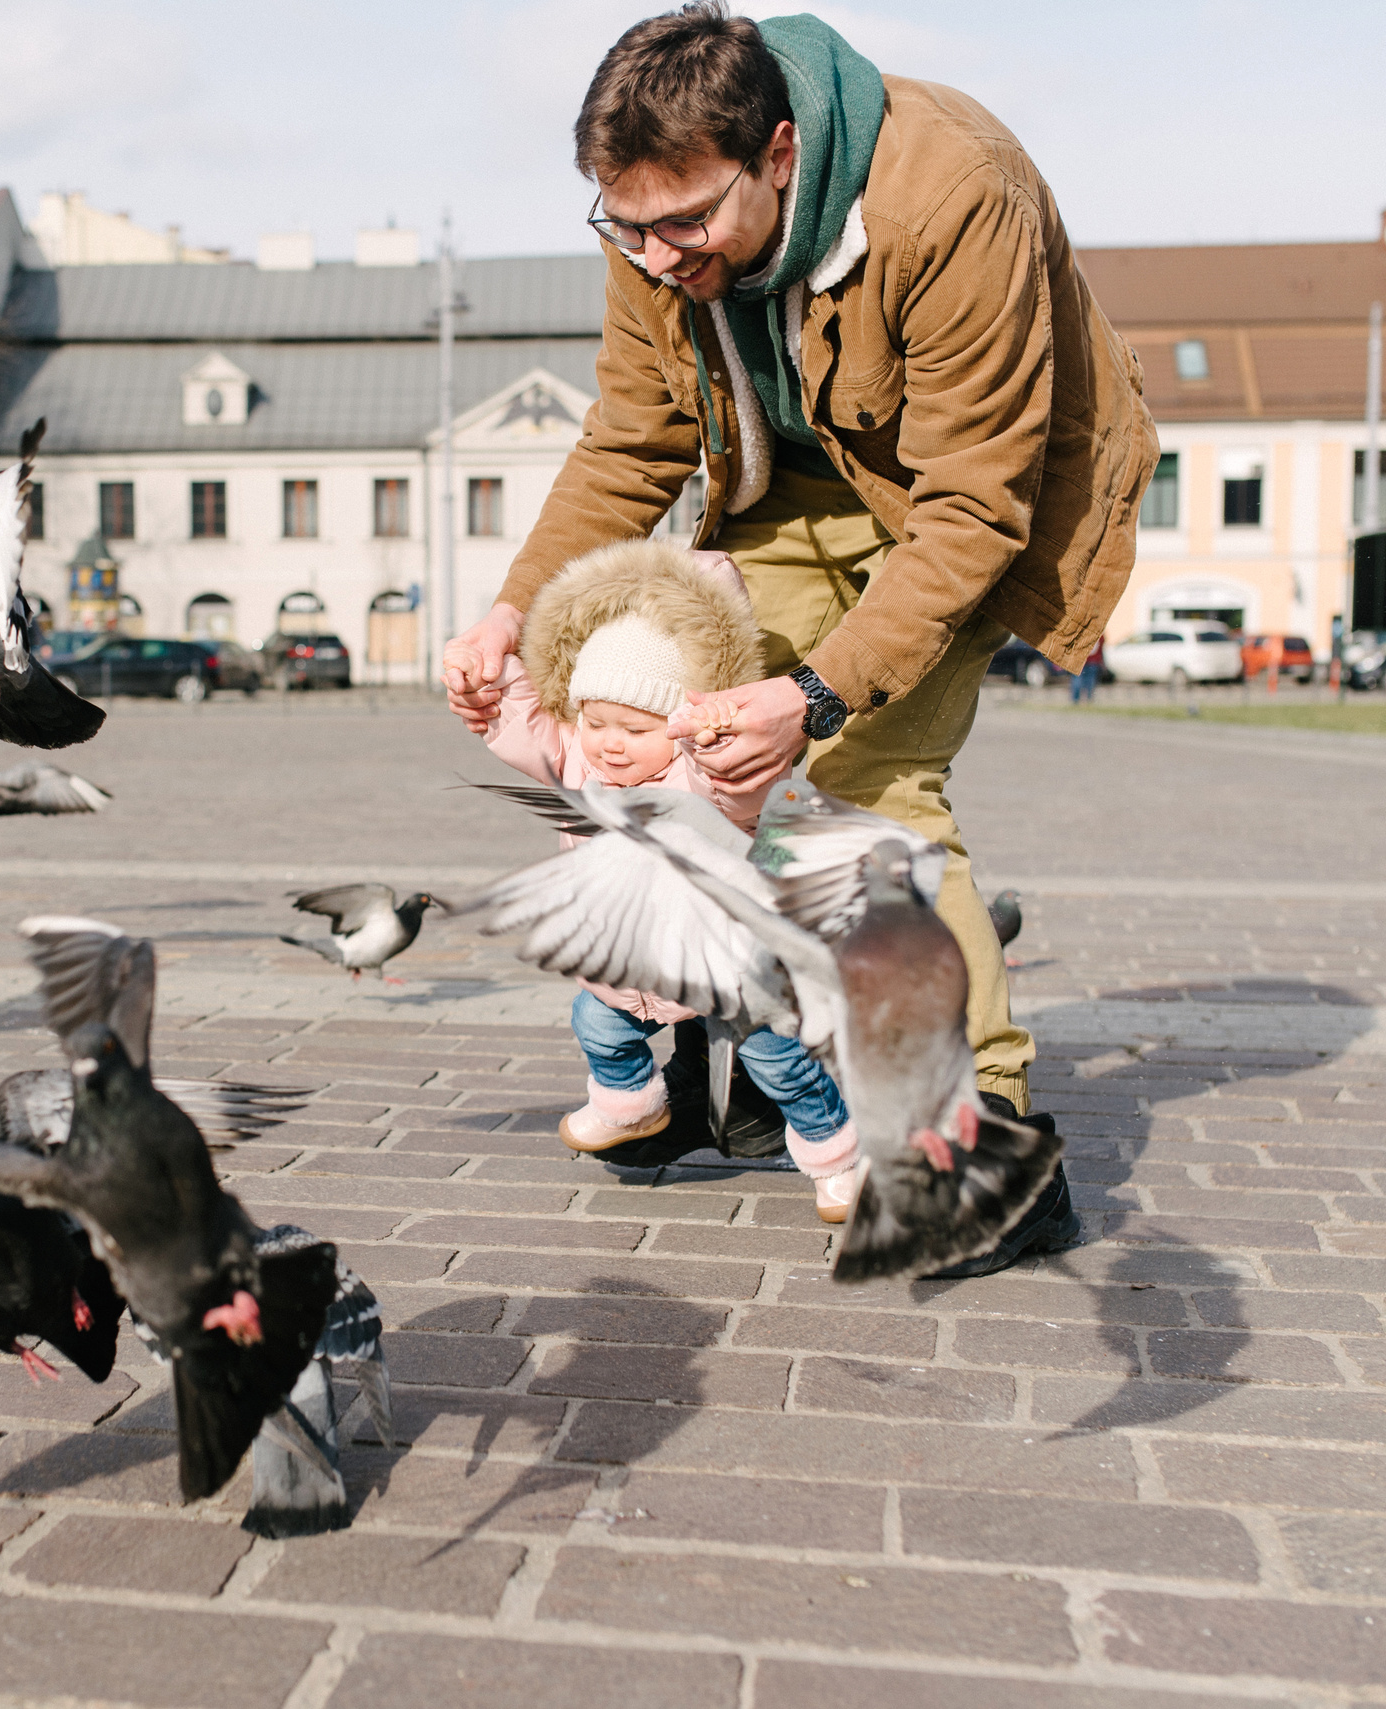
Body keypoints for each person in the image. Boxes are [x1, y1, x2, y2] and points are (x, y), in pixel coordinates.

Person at [443, 4, 1157, 1275]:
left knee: (867, 791)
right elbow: (632, 435)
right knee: (684, 737)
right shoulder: (654, 215)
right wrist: (514, 608)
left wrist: (817, 695)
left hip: (960, 505)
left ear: (779, 153)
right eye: (627, 225)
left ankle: (977, 1147)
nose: (658, 254)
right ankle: (749, 1067)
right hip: (789, 490)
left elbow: (969, 505)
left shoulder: (952, 192)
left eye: (687, 224)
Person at [455, 538, 861, 1223]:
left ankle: (839, 1155)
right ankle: (629, 1104)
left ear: (675, 727)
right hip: (627, 968)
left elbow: (741, 781)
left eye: (636, 728)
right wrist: (483, 674)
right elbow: (527, 719)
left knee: (777, 1061)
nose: (611, 742)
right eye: (597, 721)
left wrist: (714, 733)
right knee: (597, 1023)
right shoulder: (579, 762)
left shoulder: (704, 778)